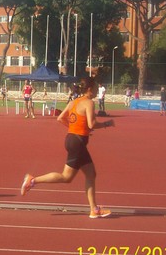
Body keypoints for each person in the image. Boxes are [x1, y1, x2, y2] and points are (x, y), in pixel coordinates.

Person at [20, 76, 114, 219]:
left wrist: (77, 129)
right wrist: (107, 124)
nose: (96, 90)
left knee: (90, 174)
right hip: (77, 142)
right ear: (90, 89)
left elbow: (60, 118)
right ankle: (32, 180)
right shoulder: (88, 103)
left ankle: (94, 209)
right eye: (95, 87)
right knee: (66, 177)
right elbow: (91, 124)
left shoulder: (74, 101)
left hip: (73, 139)